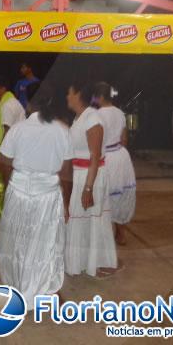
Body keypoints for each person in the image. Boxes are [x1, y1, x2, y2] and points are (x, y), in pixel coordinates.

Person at [0, 82, 73, 303]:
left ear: (27, 103)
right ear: (50, 102)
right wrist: (66, 204)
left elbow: (3, 164)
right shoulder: (62, 131)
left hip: (19, 191)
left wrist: (11, 185)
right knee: (47, 243)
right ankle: (48, 289)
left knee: (17, 241)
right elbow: (67, 174)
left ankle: (18, 286)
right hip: (48, 194)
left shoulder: (18, 129)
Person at [65, 81, 119, 278]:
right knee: (82, 219)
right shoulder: (79, 118)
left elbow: (95, 157)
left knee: (92, 219)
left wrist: (88, 189)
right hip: (80, 173)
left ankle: (95, 264)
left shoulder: (93, 119)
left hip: (91, 176)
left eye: (69, 93)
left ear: (78, 94)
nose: (66, 96)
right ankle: (81, 262)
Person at [95, 82, 136, 246]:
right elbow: (124, 139)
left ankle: (103, 236)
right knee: (122, 195)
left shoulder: (96, 115)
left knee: (103, 195)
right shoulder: (120, 113)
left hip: (106, 157)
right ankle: (121, 234)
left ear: (100, 97)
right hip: (121, 156)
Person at [0, 76, 26, 226]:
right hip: (16, 153)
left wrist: (2, 159)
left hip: (10, 155)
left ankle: (3, 218)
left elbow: (7, 132)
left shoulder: (7, 105)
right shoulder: (13, 102)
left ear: (3, 88)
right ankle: (6, 217)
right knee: (5, 184)